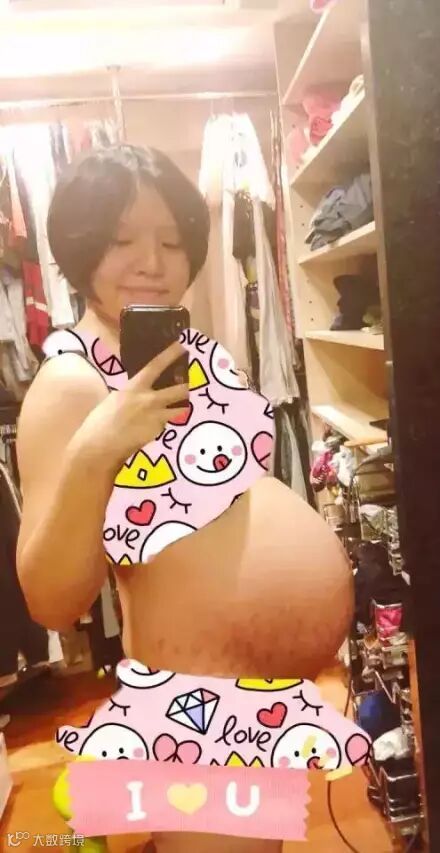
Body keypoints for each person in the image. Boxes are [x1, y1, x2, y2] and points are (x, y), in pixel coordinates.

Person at [15, 145, 354, 853]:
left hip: (255, 692)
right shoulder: (73, 383)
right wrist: (95, 451)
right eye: (122, 240)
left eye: (172, 241)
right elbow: (50, 600)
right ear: (78, 247)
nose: (152, 261)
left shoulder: (190, 352)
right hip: (199, 704)